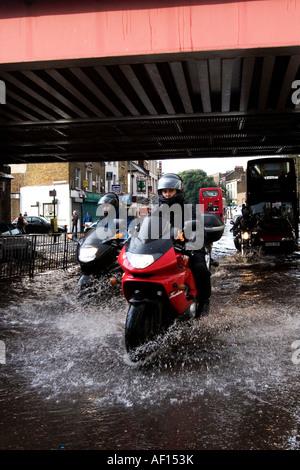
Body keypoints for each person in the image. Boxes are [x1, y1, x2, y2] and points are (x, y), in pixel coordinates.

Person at [151, 173, 211, 317]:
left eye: (170, 191)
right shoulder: (156, 209)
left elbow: (198, 228)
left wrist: (190, 239)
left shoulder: (189, 208)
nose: (167, 194)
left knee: (199, 268)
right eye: (164, 191)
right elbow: (147, 227)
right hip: (164, 248)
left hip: (188, 246)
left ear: (178, 191)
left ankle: (203, 302)